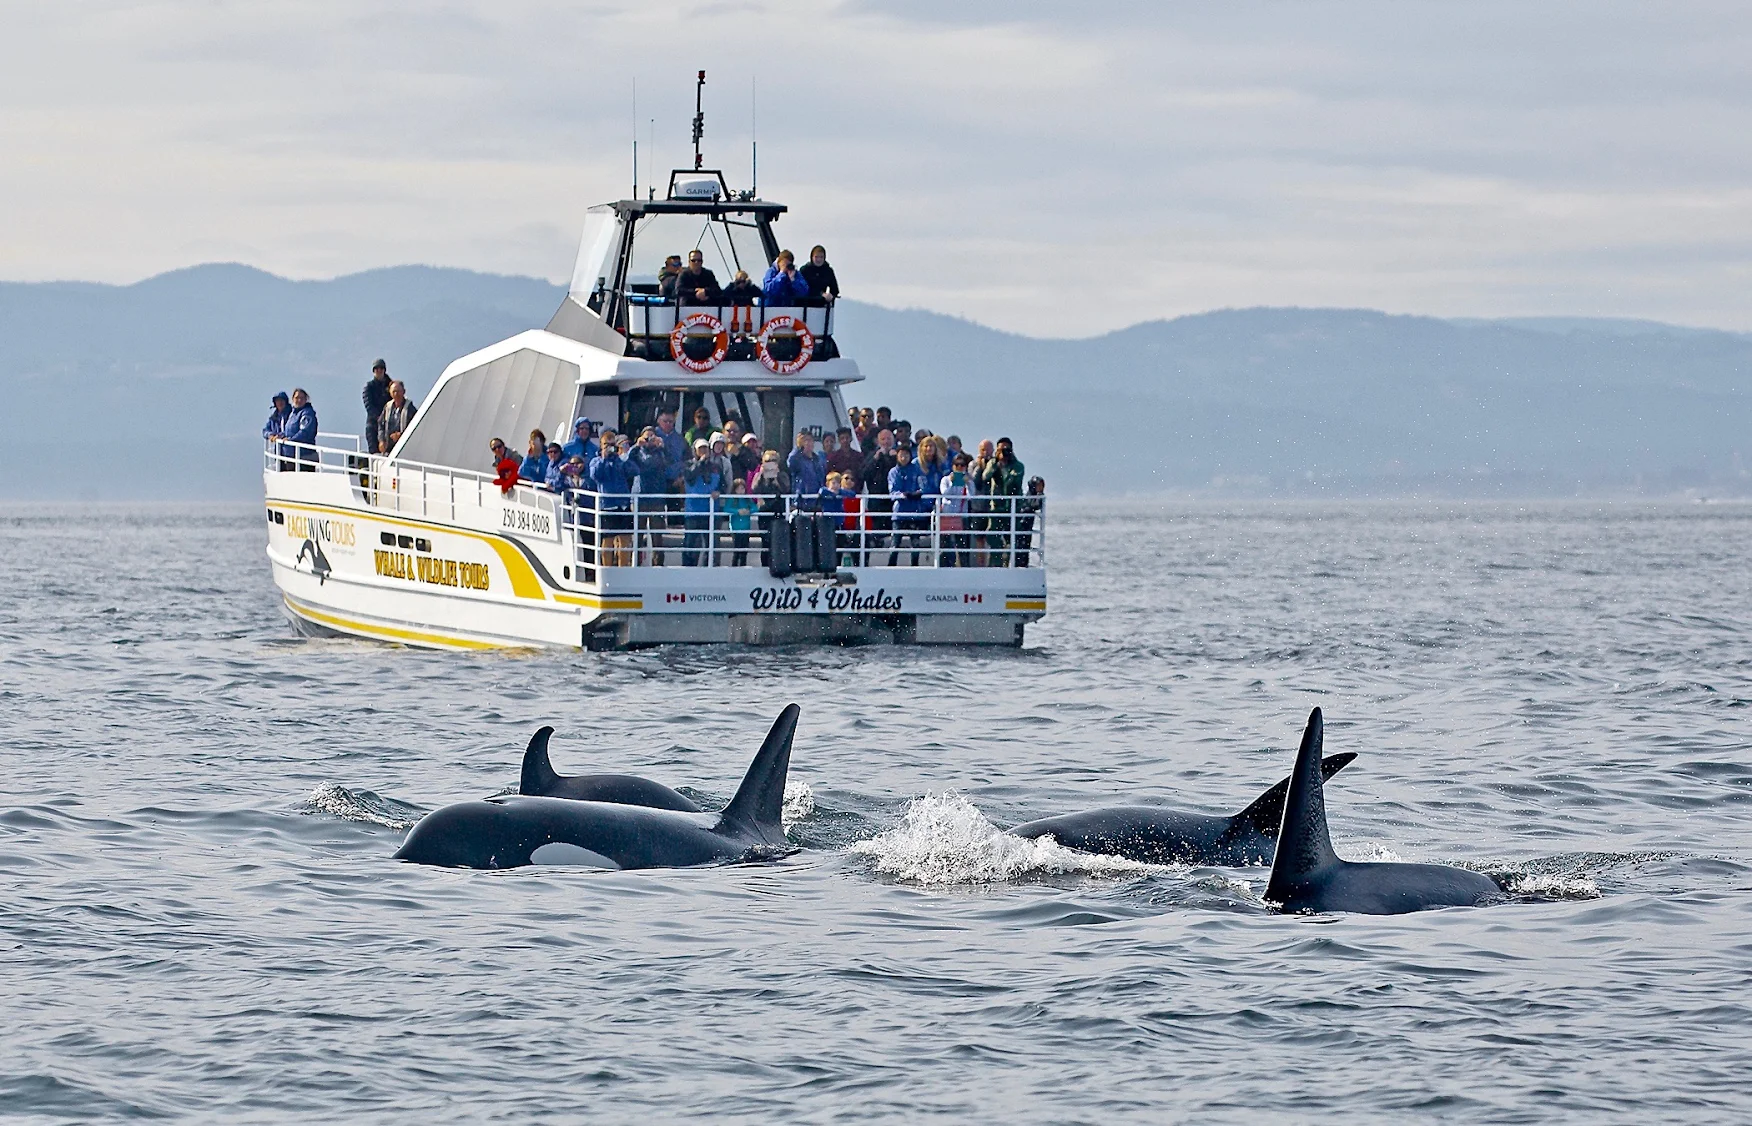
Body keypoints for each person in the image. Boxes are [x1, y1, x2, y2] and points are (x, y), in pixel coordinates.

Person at [590, 433, 636, 566]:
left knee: (625, 540)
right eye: (606, 445)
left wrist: (625, 456)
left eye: (612, 445)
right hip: (608, 506)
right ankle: (607, 569)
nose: (609, 448)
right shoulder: (596, 461)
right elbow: (595, 476)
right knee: (607, 540)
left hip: (623, 505)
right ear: (601, 445)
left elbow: (634, 471)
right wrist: (604, 458)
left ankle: (623, 570)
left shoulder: (620, 460)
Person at [979, 436, 1026, 566]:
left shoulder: (1018, 466)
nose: (1004, 453)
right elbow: (985, 477)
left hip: (1013, 508)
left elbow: (1014, 480)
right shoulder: (993, 463)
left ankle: (1008, 562)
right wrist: (995, 464)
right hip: (996, 507)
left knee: (1012, 537)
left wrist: (1007, 467)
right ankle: (996, 561)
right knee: (992, 535)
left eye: (1006, 450)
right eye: (1001, 450)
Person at [859, 428, 898, 564]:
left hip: (892, 499)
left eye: (888, 439)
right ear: (878, 441)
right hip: (876, 498)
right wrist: (875, 459)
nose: (886, 442)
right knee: (876, 530)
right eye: (883, 439)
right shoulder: (872, 455)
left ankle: (892, 558)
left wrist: (895, 459)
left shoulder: (898, 455)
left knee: (892, 529)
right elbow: (863, 474)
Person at [682, 439, 723, 566]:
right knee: (690, 544)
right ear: (695, 451)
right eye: (700, 448)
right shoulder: (688, 464)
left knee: (711, 543)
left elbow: (723, 484)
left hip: (711, 510)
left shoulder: (716, 466)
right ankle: (688, 569)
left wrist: (719, 491)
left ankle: (710, 569)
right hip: (693, 511)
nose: (703, 451)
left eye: (705, 448)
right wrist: (700, 462)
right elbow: (689, 476)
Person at [887, 444, 929, 566]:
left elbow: (923, 486)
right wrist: (902, 495)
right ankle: (891, 567)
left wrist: (917, 493)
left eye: (906, 455)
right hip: (899, 512)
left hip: (915, 512)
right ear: (897, 456)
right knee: (895, 542)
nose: (904, 458)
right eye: (901, 455)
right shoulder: (893, 472)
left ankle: (915, 566)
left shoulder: (917, 470)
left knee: (915, 542)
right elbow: (892, 491)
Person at [750, 449, 789, 566]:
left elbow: (786, 490)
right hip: (764, 511)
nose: (770, 463)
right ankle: (765, 566)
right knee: (765, 541)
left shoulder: (782, 474)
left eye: (773, 460)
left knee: (778, 540)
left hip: (778, 510)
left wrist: (777, 479)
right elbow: (754, 489)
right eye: (767, 461)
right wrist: (762, 475)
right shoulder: (759, 475)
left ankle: (777, 566)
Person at [938, 453, 973, 567]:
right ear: (952, 466)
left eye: (962, 465)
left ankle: (963, 567)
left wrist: (967, 483)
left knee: (962, 545)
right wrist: (953, 483)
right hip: (947, 516)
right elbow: (945, 494)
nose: (959, 467)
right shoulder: (945, 480)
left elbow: (971, 497)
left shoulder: (969, 481)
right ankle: (945, 567)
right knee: (946, 545)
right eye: (957, 465)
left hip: (962, 516)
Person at [968, 438, 996, 565]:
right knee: (979, 538)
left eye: (988, 449)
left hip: (992, 506)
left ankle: (993, 563)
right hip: (978, 506)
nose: (986, 452)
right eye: (983, 449)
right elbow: (974, 482)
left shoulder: (996, 464)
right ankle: (981, 564)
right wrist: (980, 466)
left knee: (992, 537)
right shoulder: (973, 464)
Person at [377, 380, 417, 454]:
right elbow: (381, 425)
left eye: (398, 391)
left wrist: (401, 435)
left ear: (403, 392)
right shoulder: (388, 407)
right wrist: (381, 440)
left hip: (404, 449)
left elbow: (416, 427)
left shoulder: (410, 409)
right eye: (394, 391)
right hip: (388, 449)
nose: (396, 394)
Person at [361, 359, 391, 455]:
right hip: (373, 426)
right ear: (373, 371)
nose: (379, 370)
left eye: (381, 368)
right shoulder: (369, 387)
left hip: (389, 427)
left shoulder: (391, 386)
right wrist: (380, 418)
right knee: (374, 454)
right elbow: (368, 406)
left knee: (389, 453)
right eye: (376, 368)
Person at [723, 478, 755, 566]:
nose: (740, 491)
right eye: (738, 489)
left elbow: (755, 507)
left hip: (746, 527)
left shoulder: (747, 499)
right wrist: (737, 511)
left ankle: (743, 565)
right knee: (737, 549)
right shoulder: (732, 499)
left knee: (745, 549)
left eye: (742, 489)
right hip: (735, 527)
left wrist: (749, 511)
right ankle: (734, 566)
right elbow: (726, 508)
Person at [285, 388, 319, 470]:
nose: (299, 400)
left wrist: (291, 440)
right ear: (293, 399)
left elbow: (305, 432)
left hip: (305, 455)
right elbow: (289, 430)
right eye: (297, 398)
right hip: (292, 455)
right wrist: (280, 435)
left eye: (302, 398)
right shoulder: (293, 413)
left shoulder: (307, 413)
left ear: (306, 399)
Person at [788, 431, 826, 499]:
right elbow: (790, 462)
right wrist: (797, 447)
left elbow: (822, 477)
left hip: (817, 497)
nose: (807, 443)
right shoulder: (797, 459)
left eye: (810, 440)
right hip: (801, 497)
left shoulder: (818, 459)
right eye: (804, 441)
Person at [1017, 475, 1045, 568]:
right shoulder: (1030, 496)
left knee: (1025, 544)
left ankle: (1023, 563)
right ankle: (1020, 563)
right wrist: (1040, 495)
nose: (1040, 487)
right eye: (1038, 485)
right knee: (1021, 544)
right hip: (1023, 524)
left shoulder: (1031, 496)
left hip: (1027, 525)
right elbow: (1035, 505)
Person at [263, 391, 293, 471]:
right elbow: (265, 430)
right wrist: (270, 435)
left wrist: (280, 436)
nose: (280, 403)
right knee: (281, 471)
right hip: (279, 451)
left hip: (291, 451)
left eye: (282, 400)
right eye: (277, 401)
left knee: (290, 472)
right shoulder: (274, 417)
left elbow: (291, 429)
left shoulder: (292, 414)